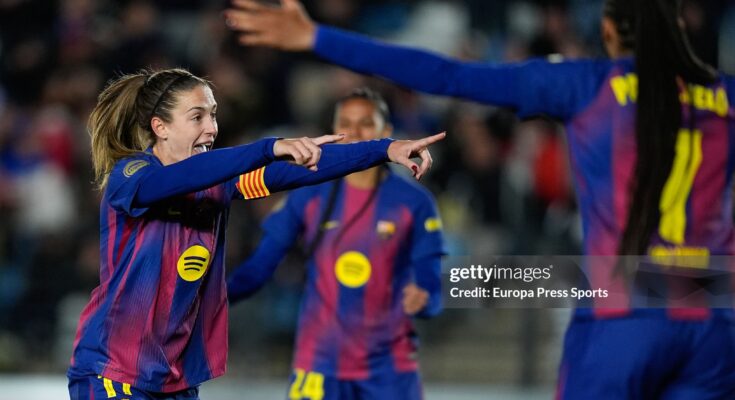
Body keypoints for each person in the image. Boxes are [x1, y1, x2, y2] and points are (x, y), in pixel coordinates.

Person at [224, 0, 735, 398]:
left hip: (623, 309)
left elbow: (446, 75)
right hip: (713, 313)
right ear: (681, 27)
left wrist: (317, 36)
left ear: (607, 30)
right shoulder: (727, 96)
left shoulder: (585, 84)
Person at [67, 67, 445, 400]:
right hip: (112, 371)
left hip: (173, 379)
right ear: (160, 126)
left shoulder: (223, 181)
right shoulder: (131, 177)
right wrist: (269, 147)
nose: (211, 128)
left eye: (213, 115)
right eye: (196, 117)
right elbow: (181, 178)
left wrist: (385, 149)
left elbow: (303, 168)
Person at [228, 87, 445, 400]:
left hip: (390, 370)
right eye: (346, 122)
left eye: (366, 123)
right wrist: (214, 302)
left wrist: (424, 300)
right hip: (319, 365)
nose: (356, 131)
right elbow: (260, 267)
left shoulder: (415, 202)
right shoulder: (308, 193)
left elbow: (431, 287)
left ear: (387, 133)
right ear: (333, 132)